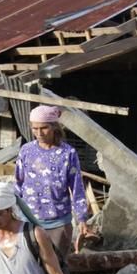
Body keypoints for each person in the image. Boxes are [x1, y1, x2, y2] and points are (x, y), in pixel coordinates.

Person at [14, 105, 95, 260]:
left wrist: (82, 218)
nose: (39, 133)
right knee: (31, 265)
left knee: (57, 265)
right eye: (34, 128)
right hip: (28, 221)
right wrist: (14, 214)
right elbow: (18, 183)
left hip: (58, 223)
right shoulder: (26, 151)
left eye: (44, 128)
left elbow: (77, 188)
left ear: (54, 127)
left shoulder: (67, 153)